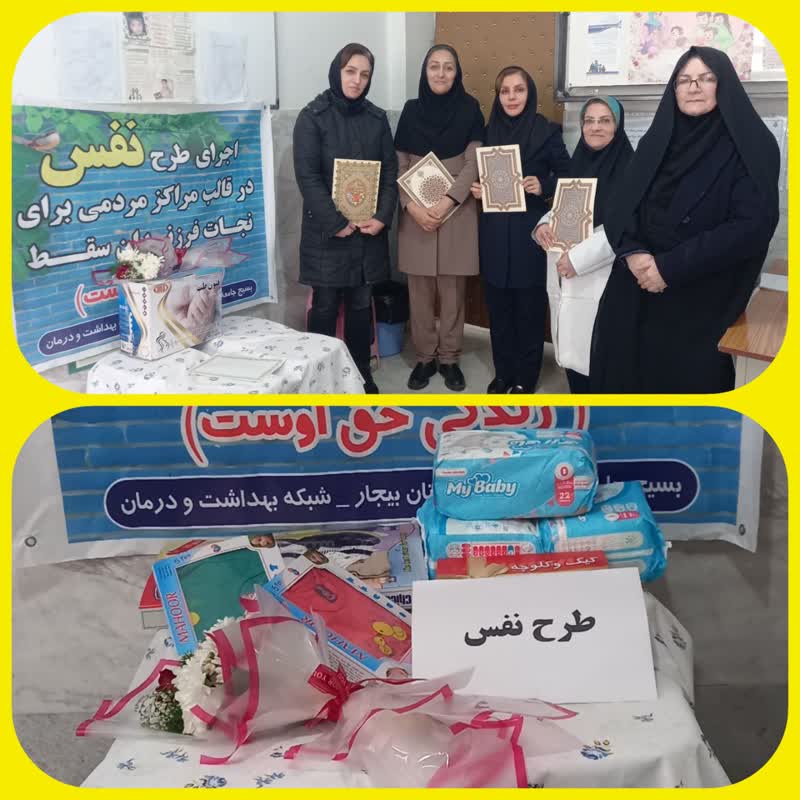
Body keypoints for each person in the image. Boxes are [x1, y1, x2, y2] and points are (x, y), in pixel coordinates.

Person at [590, 47, 780, 394]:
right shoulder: (657, 140)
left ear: (724, 85)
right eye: (684, 80)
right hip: (636, 285)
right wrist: (634, 253)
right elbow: (622, 204)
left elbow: (752, 225)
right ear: (673, 89)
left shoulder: (753, 144)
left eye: (706, 79)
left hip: (701, 296)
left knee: (683, 393)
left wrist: (669, 268)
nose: (694, 87)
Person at [293, 43, 398, 394]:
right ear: (336, 71)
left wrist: (382, 217)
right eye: (350, 71)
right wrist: (336, 222)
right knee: (324, 306)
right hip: (328, 235)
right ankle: (321, 379)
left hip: (367, 233)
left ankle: (360, 374)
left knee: (360, 306)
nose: (357, 80)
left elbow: (389, 174)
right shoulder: (312, 117)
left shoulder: (376, 119)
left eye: (364, 74)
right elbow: (308, 177)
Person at [471, 66, 570, 393]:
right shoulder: (488, 134)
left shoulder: (547, 132)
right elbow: (483, 178)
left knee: (529, 311)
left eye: (519, 90)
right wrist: (479, 190)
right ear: (497, 97)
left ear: (530, 94)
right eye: (505, 91)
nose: (511, 97)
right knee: (498, 311)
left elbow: (569, 177)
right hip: (495, 234)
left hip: (531, 235)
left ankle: (526, 377)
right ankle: (503, 374)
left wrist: (544, 185)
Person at [394, 44, 484, 391]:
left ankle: (449, 358)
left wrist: (447, 202)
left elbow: (473, 162)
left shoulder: (470, 108)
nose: (441, 73)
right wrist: (412, 207)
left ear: (457, 73)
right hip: (416, 215)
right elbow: (400, 164)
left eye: (448, 67)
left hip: (457, 212)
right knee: (419, 293)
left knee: (452, 293)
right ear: (425, 71)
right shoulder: (411, 110)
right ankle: (424, 358)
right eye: (434, 66)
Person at [534, 96, 633, 394]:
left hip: (603, 279)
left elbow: (623, 227)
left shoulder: (631, 171)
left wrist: (578, 260)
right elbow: (564, 206)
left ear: (617, 125)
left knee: (599, 362)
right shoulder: (578, 164)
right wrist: (543, 225)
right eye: (589, 121)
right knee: (574, 361)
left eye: (604, 120)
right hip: (566, 276)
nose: (595, 127)